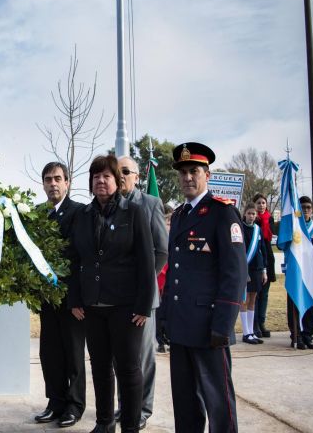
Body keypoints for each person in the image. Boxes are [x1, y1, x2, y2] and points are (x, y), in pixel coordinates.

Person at [160, 142, 247, 433]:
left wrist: (223, 325)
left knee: (218, 403)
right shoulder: (181, 215)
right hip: (182, 326)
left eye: (193, 171)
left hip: (210, 327)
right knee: (185, 403)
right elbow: (175, 272)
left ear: (207, 174)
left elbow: (234, 274)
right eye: (183, 172)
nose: (187, 177)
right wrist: (164, 318)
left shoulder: (223, 214)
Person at [67, 155, 155, 433]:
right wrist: (75, 298)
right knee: (100, 368)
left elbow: (146, 261)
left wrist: (144, 304)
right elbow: (73, 260)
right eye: (96, 177)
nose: (100, 181)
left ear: (118, 181)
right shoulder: (81, 216)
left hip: (126, 307)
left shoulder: (134, 212)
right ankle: (104, 423)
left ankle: (130, 426)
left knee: (128, 370)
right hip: (92, 305)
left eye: (106, 176)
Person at [114, 156, 168, 430]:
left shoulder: (150, 203)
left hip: (143, 298)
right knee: (122, 358)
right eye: (117, 171)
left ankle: (142, 410)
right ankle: (125, 407)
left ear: (136, 176)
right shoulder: (110, 206)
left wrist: (143, 284)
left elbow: (161, 249)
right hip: (116, 300)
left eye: (125, 171)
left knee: (143, 358)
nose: (120, 176)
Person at [34, 162, 86, 428]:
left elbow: (78, 258)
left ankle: (74, 406)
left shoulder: (79, 212)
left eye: (57, 179)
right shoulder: (37, 214)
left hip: (71, 299)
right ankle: (55, 402)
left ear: (67, 182)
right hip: (47, 298)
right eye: (47, 179)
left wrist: (76, 299)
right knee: (50, 353)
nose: (52, 184)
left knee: (73, 354)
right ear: (42, 184)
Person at [287, 196, 313, 349]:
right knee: (294, 302)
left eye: (308, 208)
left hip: (311, 272)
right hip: (297, 271)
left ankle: (307, 335)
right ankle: (296, 335)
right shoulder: (294, 227)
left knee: (310, 304)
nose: (305, 210)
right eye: (303, 207)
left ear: (312, 210)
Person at [239, 203, 268, 345]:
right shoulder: (240, 228)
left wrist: (264, 270)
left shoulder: (258, 230)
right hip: (245, 268)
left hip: (257, 268)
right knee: (243, 300)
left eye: (253, 214)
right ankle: (245, 333)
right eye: (249, 213)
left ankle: (251, 331)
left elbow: (262, 249)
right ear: (245, 214)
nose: (251, 216)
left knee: (253, 299)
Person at [253, 193, 276, 337]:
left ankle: (261, 322)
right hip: (256, 257)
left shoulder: (270, 219)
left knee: (265, 294)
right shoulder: (253, 220)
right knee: (256, 293)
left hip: (268, 254)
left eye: (263, 203)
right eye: (259, 203)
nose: (261, 205)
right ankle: (254, 324)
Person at [156, 206, 173, 354]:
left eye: (170, 222)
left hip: (171, 279)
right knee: (159, 313)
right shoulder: (158, 237)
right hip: (159, 278)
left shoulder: (176, 238)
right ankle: (160, 340)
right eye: (166, 222)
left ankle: (168, 337)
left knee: (169, 312)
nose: (169, 226)